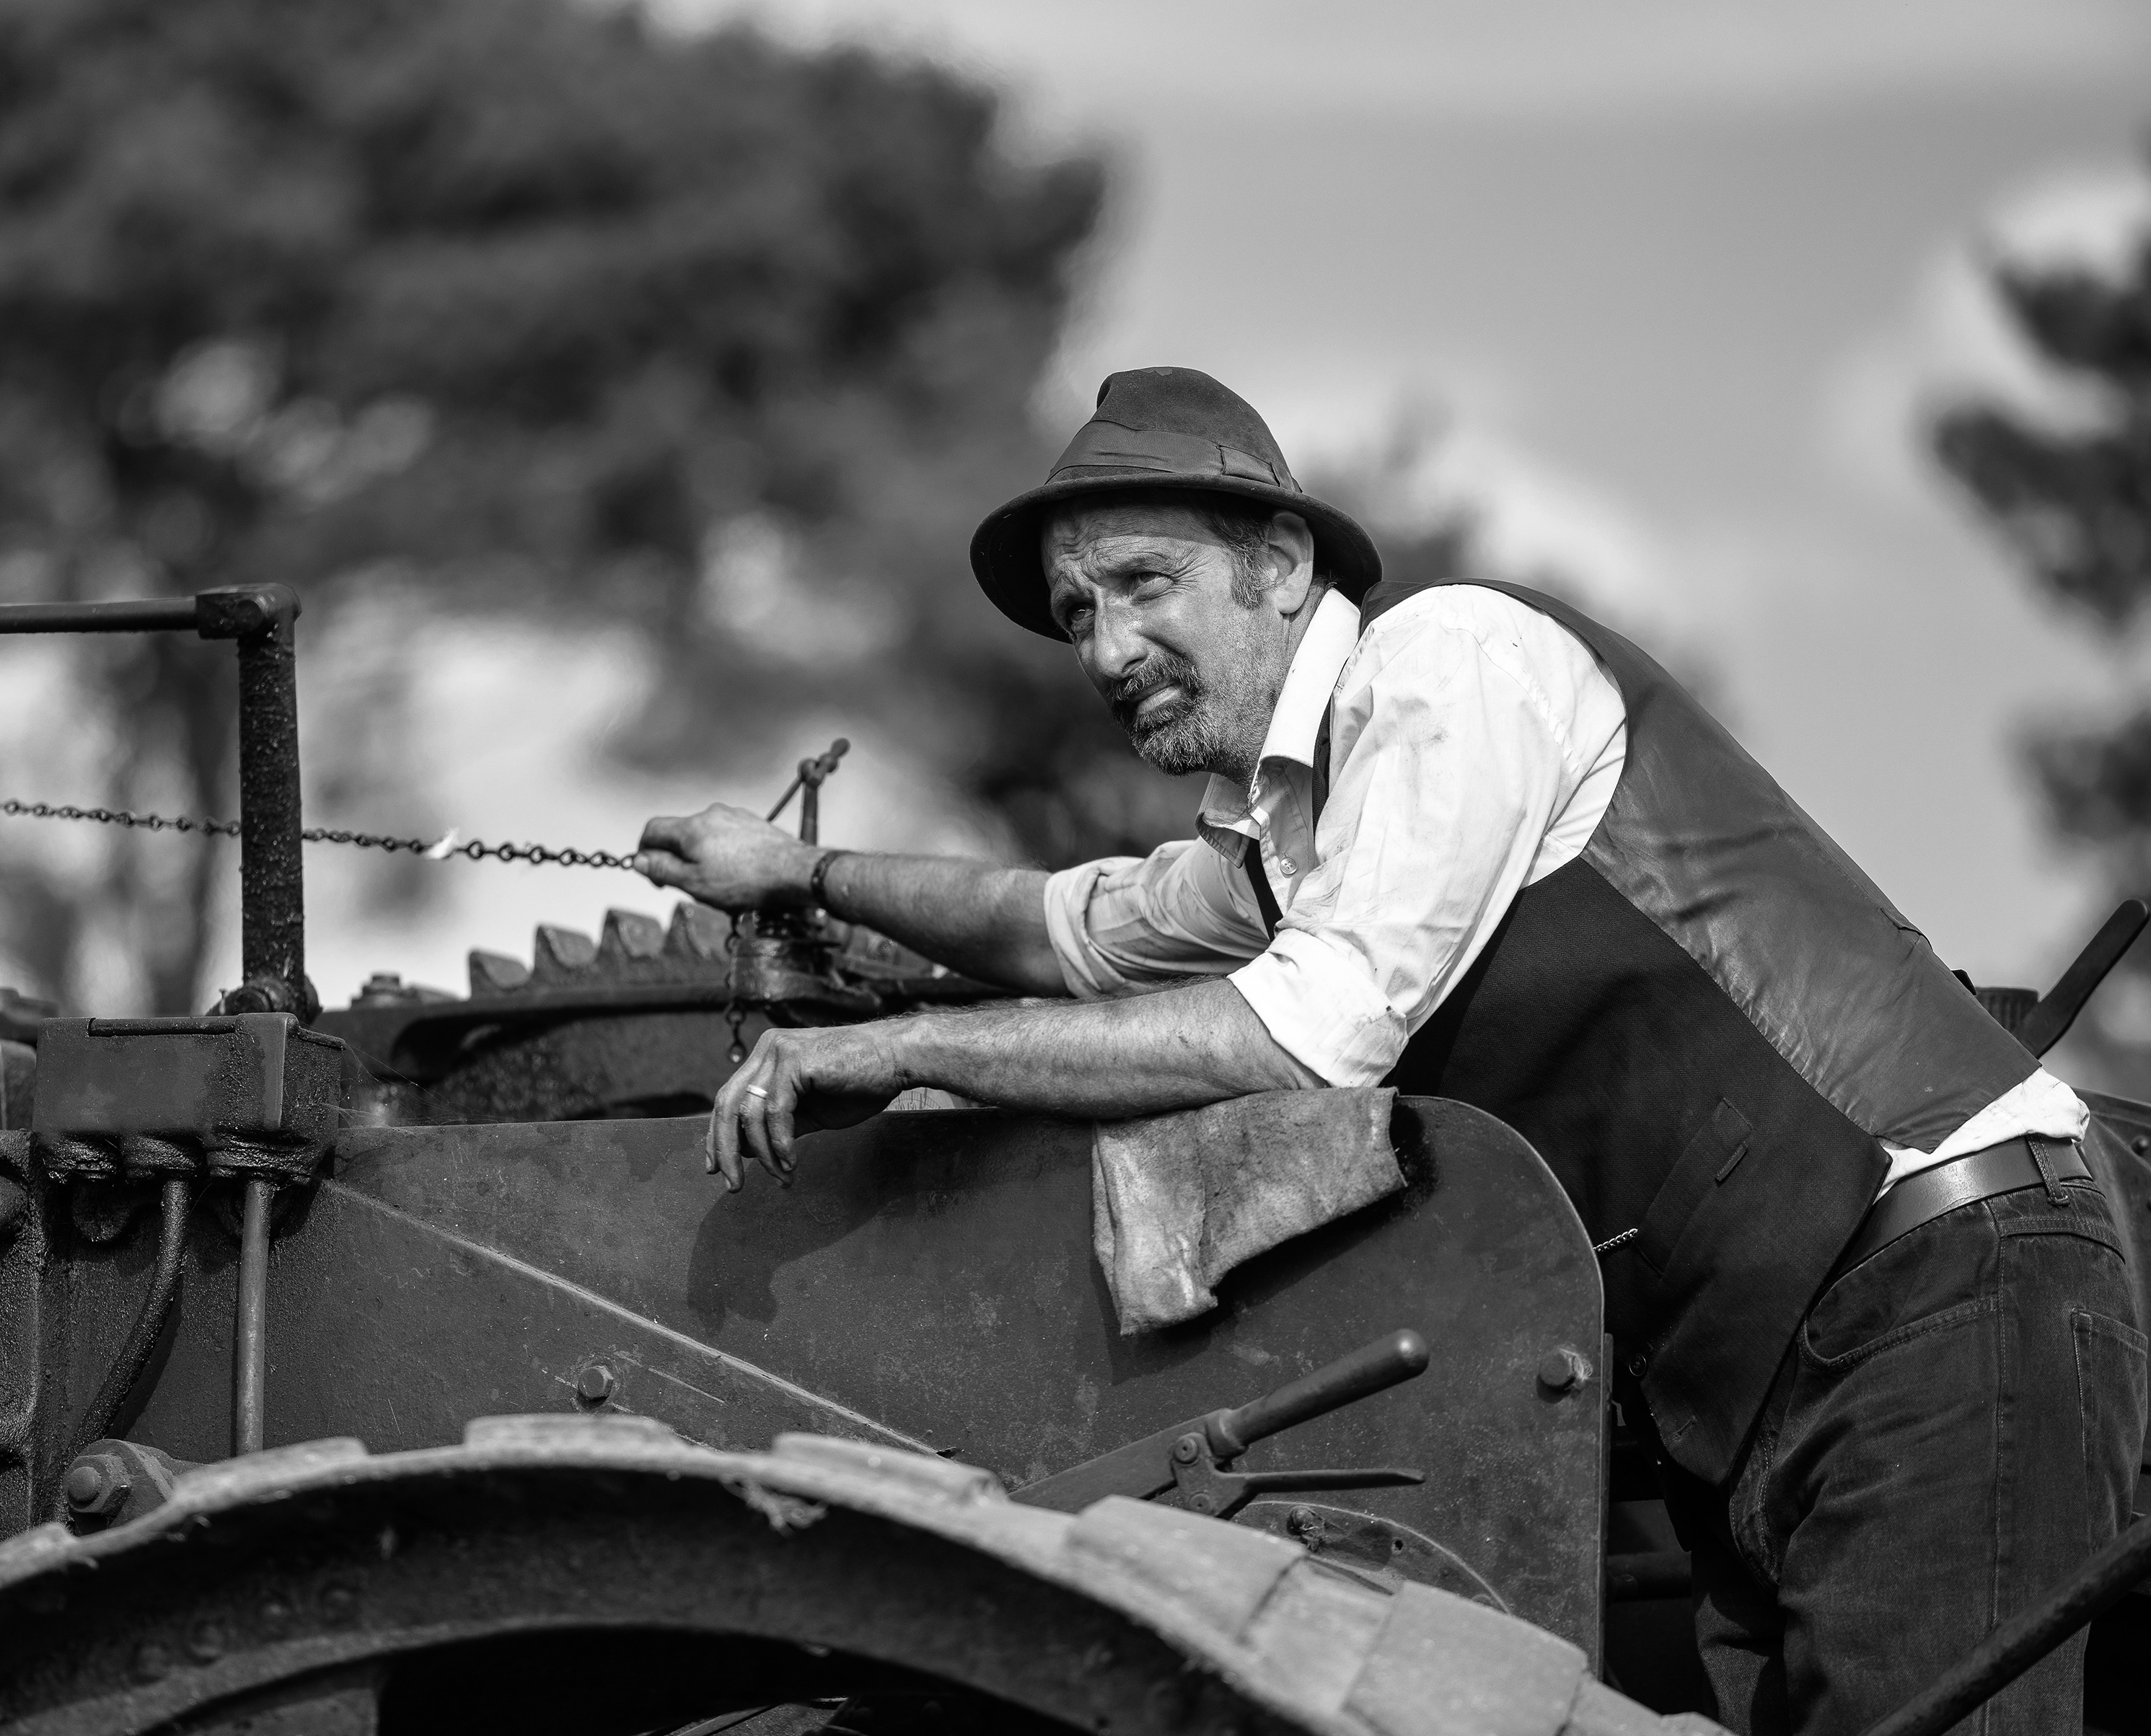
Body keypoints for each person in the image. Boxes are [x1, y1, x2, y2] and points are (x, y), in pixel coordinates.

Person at [635, 366, 2146, 1736]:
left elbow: (1303, 1039)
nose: (1107, 646)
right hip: (1760, 1382)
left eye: (1142, 583)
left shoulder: (1449, 667)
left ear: (1281, 565)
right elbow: (1064, 925)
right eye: (1076, 613)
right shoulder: (1293, 838)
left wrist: (903, 1051)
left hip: (1941, 1279)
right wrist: (807, 877)